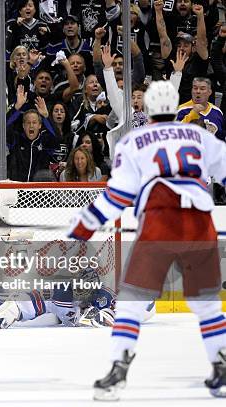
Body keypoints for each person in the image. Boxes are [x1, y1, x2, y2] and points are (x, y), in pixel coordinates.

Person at [68, 81, 226, 400]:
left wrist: (85, 226)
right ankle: (221, 367)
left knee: (132, 301)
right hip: (199, 222)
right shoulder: (200, 136)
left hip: (160, 221)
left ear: (150, 110)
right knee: (207, 302)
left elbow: (117, 195)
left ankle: (118, 369)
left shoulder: (136, 140)